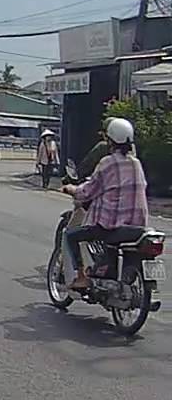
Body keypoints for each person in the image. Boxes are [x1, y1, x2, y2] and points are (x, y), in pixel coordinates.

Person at [61, 118, 149, 291]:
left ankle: (81, 277)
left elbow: (88, 191)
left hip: (112, 226)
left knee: (70, 235)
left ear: (109, 140)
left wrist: (70, 188)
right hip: (138, 226)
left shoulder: (107, 162)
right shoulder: (136, 163)